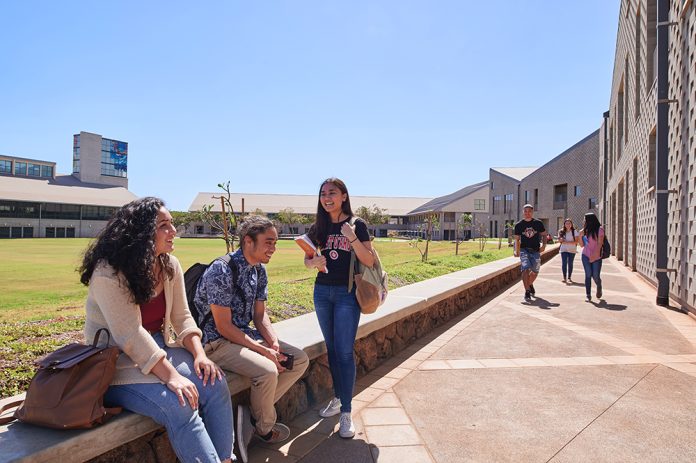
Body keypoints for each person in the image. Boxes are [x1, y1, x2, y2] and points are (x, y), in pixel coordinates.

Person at [80, 197, 235, 463]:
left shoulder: (168, 264)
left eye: (172, 224)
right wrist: (173, 376)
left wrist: (200, 355)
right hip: (115, 364)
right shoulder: (109, 272)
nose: (174, 231)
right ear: (141, 233)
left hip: (157, 351)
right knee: (180, 405)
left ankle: (224, 459)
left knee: (215, 383)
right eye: (164, 225)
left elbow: (182, 317)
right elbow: (130, 335)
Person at [194, 215, 309, 462]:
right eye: (268, 242)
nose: (273, 249)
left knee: (298, 360)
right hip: (216, 343)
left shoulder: (259, 271)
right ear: (248, 241)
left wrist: (273, 342)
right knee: (268, 370)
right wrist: (262, 350)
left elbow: (260, 315)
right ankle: (263, 426)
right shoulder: (221, 270)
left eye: (275, 243)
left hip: (243, 335)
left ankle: (252, 415)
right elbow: (223, 326)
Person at [304, 178, 375, 439]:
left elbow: (368, 259)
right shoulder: (319, 226)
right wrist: (313, 262)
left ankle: (346, 412)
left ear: (344, 196)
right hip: (322, 292)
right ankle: (337, 398)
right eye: (323, 193)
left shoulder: (357, 225)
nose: (326, 197)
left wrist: (352, 238)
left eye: (332, 193)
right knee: (332, 350)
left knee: (344, 352)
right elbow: (306, 258)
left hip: (347, 294)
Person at [513, 204, 547, 301]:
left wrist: (544, 245)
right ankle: (527, 291)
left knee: (535, 271)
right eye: (525, 211)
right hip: (524, 250)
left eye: (529, 211)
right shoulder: (519, 225)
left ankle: (529, 283)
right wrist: (516, 250)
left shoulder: (538, 223)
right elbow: (516, 240)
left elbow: (544, 235)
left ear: (532, 212)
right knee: (525, 269)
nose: (527, 213)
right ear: (523, 212)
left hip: (536, 250)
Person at [578, 212, 605, 302]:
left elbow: (600, 244)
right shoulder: (585, 230)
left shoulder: (600, 229)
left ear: (590, 220)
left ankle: (599, 285)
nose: (583, 221)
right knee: (588, 275)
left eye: (585, 219)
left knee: (595, 276)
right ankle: (588, 295)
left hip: (596, 256)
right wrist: (580, 236)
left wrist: (594, 256)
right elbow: (581, 245)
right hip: (585, 255)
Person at [558, 218, 579, 283]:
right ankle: (564, 278)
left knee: (570, 263)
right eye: (566, 223)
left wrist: (566, 242)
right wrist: (561, 240)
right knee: (564, 263)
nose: (568, 225)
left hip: (572, 250)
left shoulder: (574, 231)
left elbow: (576, 242)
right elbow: (559, 240)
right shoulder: (561, 231)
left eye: (569, 223)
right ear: (564, 224)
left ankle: (569, 277)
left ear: (571, 224)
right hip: (563, 249)